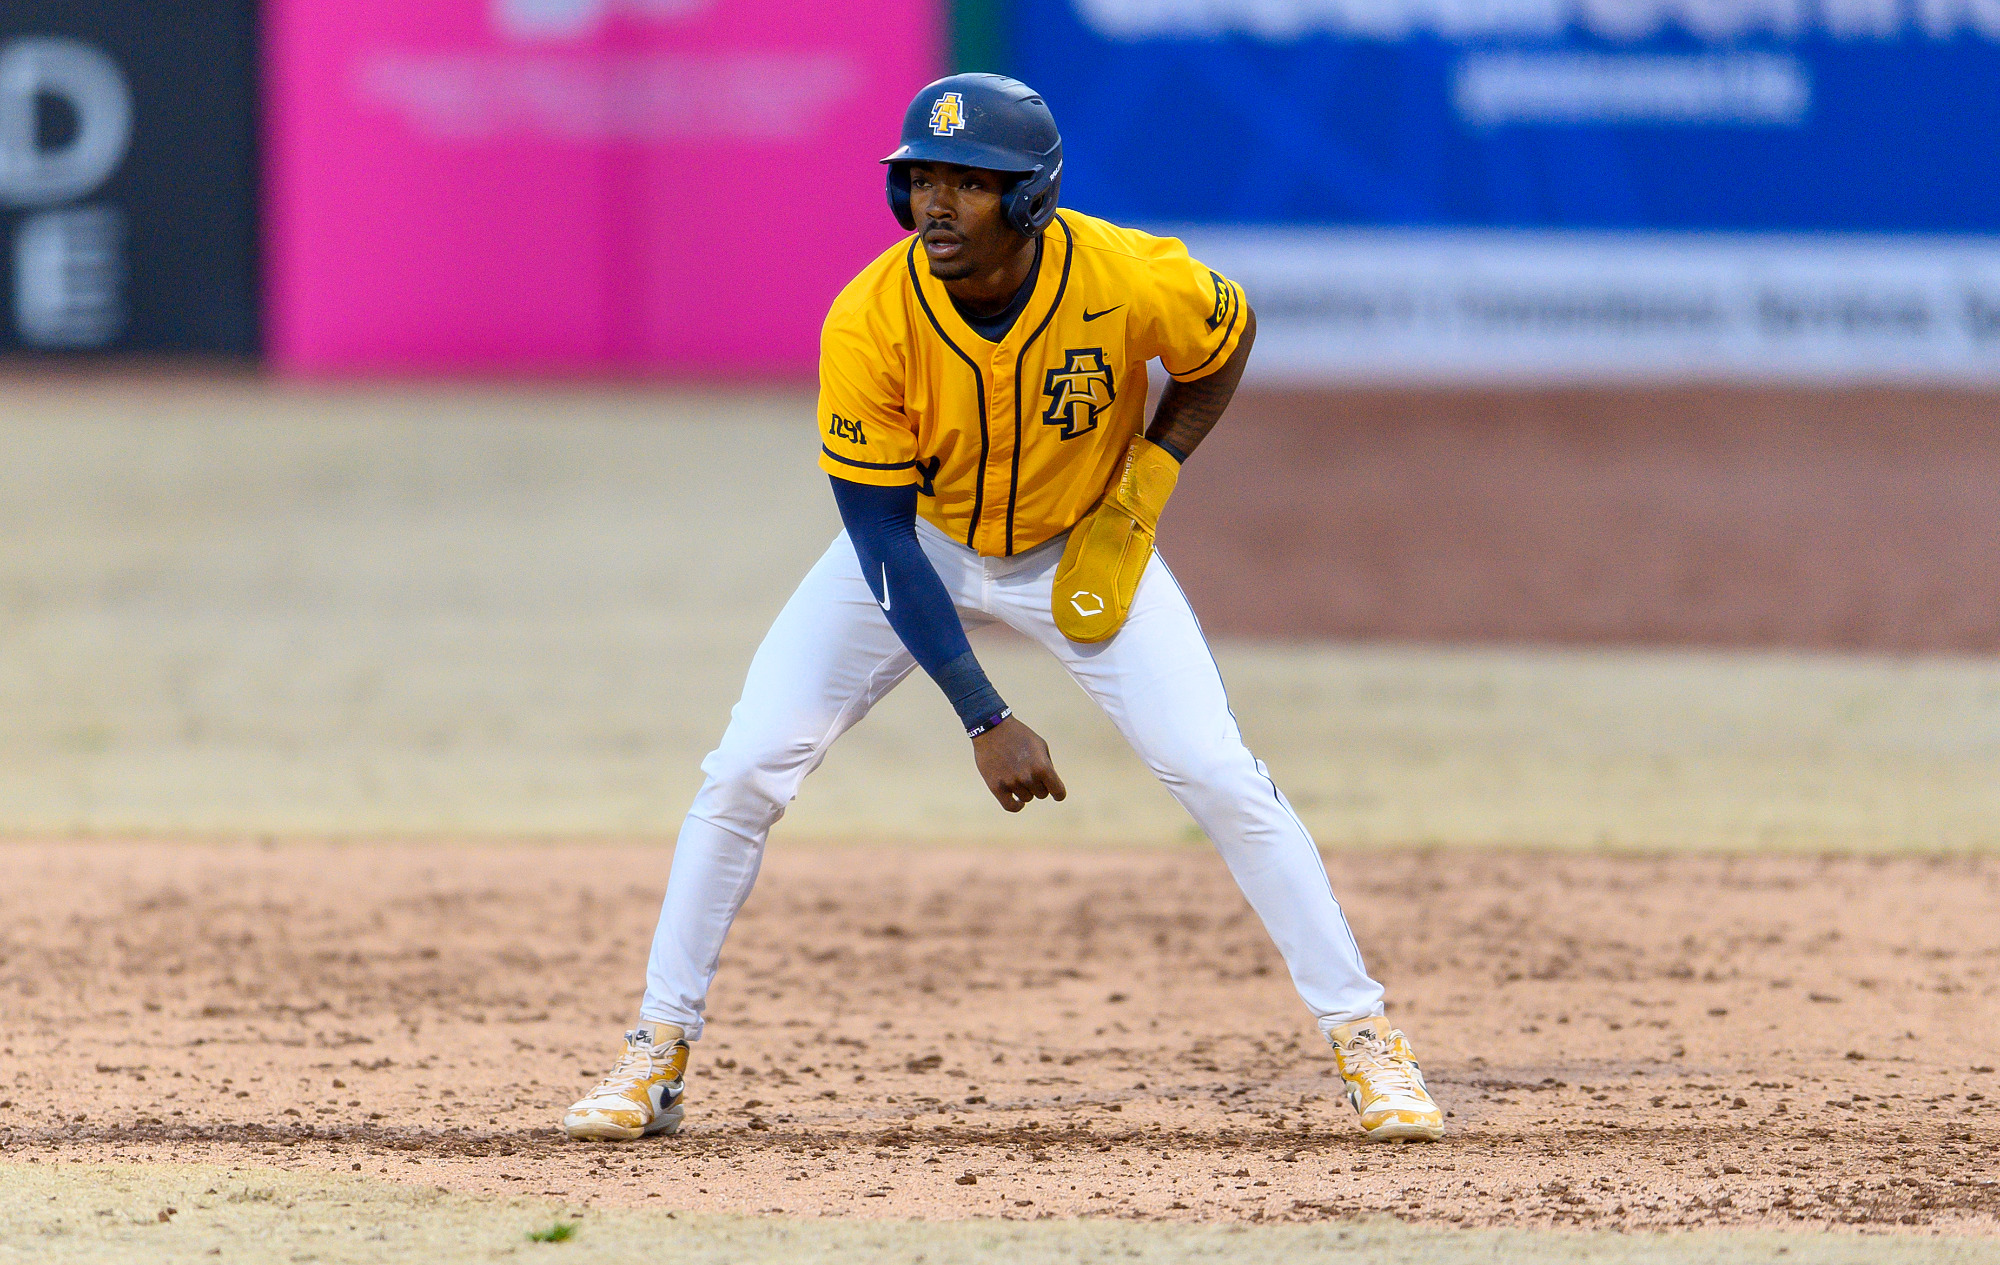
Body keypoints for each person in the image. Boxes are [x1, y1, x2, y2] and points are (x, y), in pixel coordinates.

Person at [561, 73, 1443, 1145]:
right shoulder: (871, 317)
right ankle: (655, 1049)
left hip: (1077, 536)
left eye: (966, 183)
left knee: (1215, 770)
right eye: (920, 178)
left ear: (1027, 198)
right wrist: (985, 713)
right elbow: (880, 539)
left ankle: (1366, 1043)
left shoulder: (1121, 275)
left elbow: (1227, 333)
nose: (934, 203)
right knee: (745, 765)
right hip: (920, 542)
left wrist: (1146, 479)